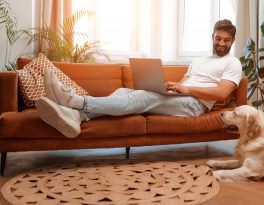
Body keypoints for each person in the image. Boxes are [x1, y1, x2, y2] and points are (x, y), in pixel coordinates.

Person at [36, 19, 243, 138]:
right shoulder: (198, 60)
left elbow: (222, 93)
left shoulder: (232, 63)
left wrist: (186, 90)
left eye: (226, 40)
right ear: (212, 37)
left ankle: (75, 102)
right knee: (123, 92)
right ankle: (79, 117)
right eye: (218, 38)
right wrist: (173, 86)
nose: (221, 43)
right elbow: (184, 82)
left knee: (144, 97)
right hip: (181, 97)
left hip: (195, 105)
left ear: (232, 41)